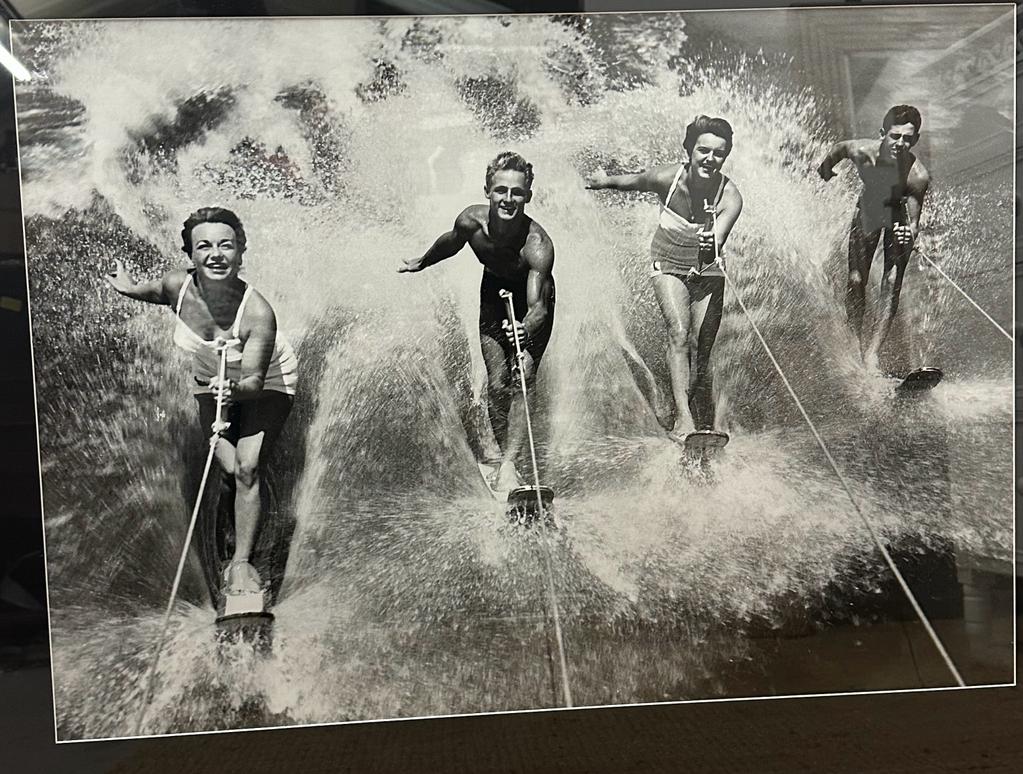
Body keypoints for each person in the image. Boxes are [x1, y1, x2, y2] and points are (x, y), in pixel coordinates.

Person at [105, 207, 298, 596]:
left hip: (266, 380)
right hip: (210, 380)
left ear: (241, 253)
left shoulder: (257, 313)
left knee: (246, 467)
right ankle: (243, 507)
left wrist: (236, 391)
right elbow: (154, 293)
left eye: (226, 245)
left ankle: (243, 562)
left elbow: (256, 379)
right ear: (190, 255)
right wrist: (128, 287)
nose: (215, 254)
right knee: (225, 467)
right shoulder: (179, 287)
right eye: (204, 246)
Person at [399, 151, 555, 493]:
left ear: (528, 195)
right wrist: (422, 262)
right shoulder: (472, 221)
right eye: (501, 190)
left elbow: (538, 307)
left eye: (517, 192)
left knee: (522, 377)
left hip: (532, 308)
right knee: (497, 384)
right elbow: (451, 244)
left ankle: (511, 464)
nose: (508, 199)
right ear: (487, 191)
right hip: (493, 297)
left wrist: (525, 328)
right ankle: (504, 456)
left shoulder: (537, 245)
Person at [585, 115, 742, 441]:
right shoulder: (666, 178)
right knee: (679, 332)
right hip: (668, 261)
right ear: (689, 150)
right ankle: (684, 420)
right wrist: (603, 180)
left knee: (702, 348)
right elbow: (633, 181)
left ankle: (699, 410)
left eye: (718, 153)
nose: (710, 159)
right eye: (703, 151)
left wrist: (711, 240)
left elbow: (719, 238)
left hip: (708, 269)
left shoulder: (730, 197)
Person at [817, 104, 930, 369]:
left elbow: (913, 225)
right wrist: (825, 169)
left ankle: (872, 353)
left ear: (915, 140)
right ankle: (856, 344)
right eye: (895, 136)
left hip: (899, 212)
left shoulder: (918, 176)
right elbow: (837, 149)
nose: (900, 143)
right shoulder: (861, 150)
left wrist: (907, 236)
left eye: (907, 138)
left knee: (891, 282)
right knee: (856, 280)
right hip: (870, 205)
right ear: (883, 133)